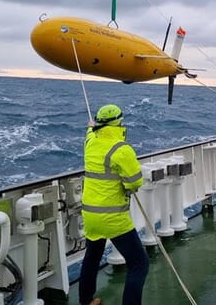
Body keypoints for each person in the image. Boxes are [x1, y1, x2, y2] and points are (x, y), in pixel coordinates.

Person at [79, 104, 149, 305]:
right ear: (120, 122)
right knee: (139, 264)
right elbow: (135, 181)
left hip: (90, 214)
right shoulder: (122, 149)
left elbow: (90, 130)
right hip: (113, 217)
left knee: (92, 256)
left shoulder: (90, 141)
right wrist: (126, 185)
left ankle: (86, 301)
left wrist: (91, 126)